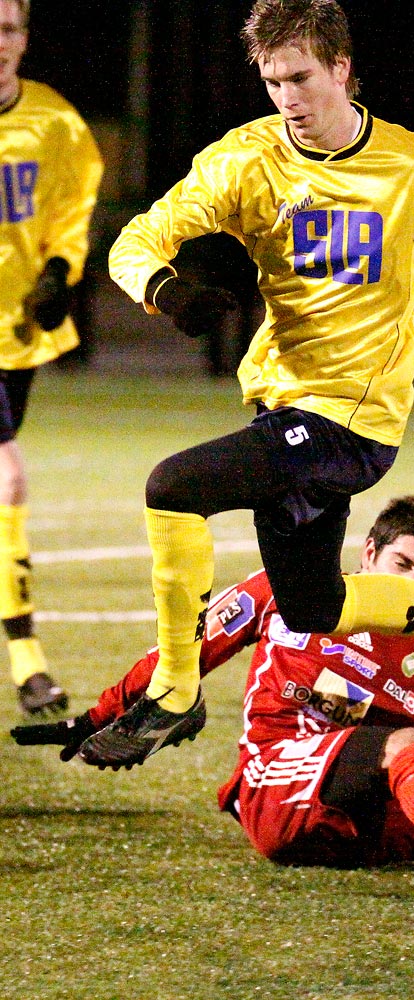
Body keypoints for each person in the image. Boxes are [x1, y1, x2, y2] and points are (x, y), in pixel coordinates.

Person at [92, 0, 414, 771]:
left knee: (174, 486)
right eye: (272, 81)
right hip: (281, 404)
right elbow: (135, 239)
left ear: (342, 70)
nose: (286, 97)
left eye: (301, 78)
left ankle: (177, 693)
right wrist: (167, 289)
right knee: (316, 605)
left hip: (353, 420)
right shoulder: (245, 160)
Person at [12, 496, 414, 893]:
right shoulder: (291, 594)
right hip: (280, 796)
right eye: (403, 566)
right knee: (405, 740)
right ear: (369, 553)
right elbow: (179, 654)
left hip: (382, 826)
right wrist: (97, 716)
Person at [0, 0, 103, 714]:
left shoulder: (56, 124)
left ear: (25, 38)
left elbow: (71, 212)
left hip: (13, 336)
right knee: (6, 480)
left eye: (7, 28)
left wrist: (59, 274)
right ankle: (28, 660)